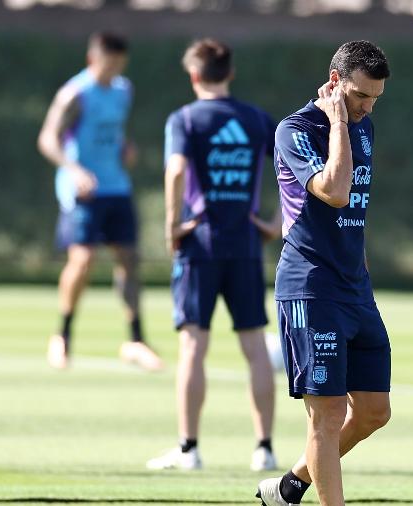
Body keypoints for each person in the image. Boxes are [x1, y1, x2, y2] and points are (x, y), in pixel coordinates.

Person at [256, 40, 391, 506]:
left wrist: (363, 270)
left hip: (355, 287)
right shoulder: (296, 129)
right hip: (311, 287)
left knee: (374, 412)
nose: (366, 107)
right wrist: (337, 121)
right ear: (335, 83)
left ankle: (291, 485)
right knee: (327, 416)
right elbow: (333, 191)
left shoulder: (365, 125)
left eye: (374, 98)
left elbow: (355, 212)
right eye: (359, 96)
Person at [146, 38, 281, 472]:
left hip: (200, 243)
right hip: (244, 242)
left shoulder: (185, 119)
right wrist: (277, 222)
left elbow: (175, 170)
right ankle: (264, 448)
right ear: (230, 73)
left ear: (194, 75)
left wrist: (171, 225)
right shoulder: (257, 119)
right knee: (255, 347)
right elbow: (293, 167)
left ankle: (189, 448)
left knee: (192, 346)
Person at [37, 32, 162, 371]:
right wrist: (74, 170)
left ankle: (135, 339)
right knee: (83, 259)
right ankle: (61, 335)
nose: (115, 71)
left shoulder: (124, 90)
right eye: (110, 64)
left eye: (120, 65)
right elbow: (48, 139)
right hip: (82, 191)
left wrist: (125, 148)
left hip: (116, 187)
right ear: (94, 59)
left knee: (130, 259)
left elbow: (112, 131)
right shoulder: (75, 94)